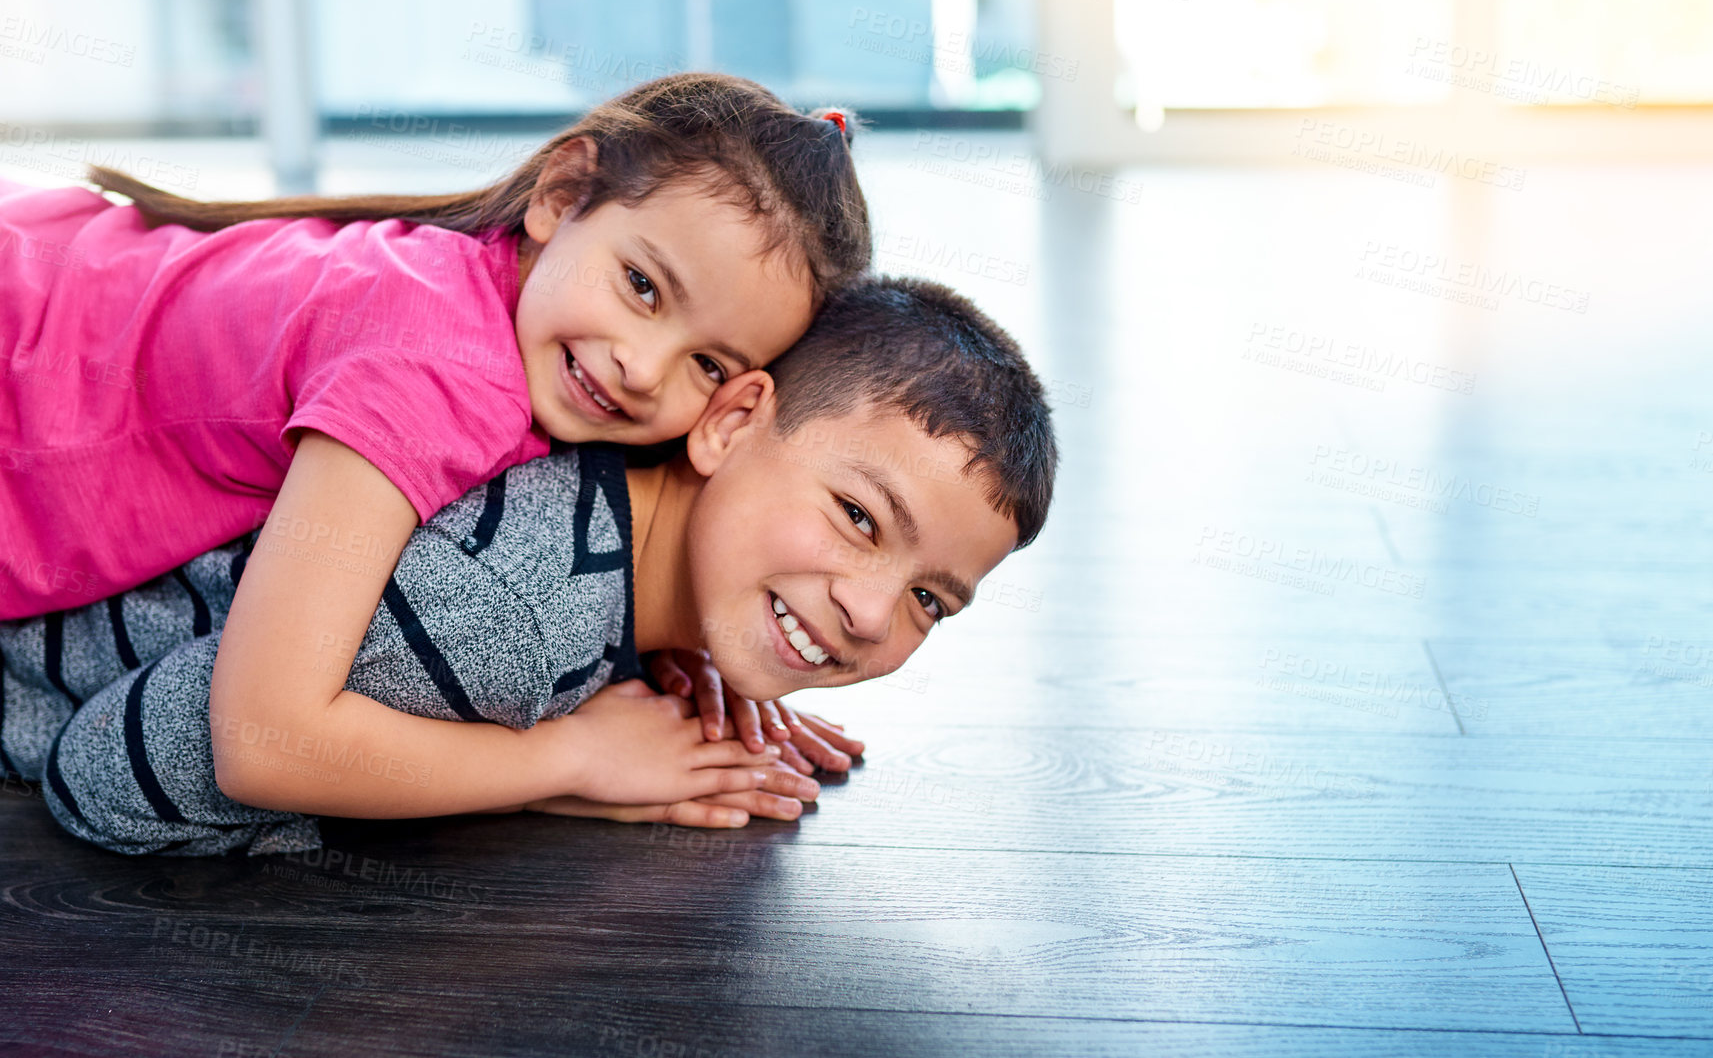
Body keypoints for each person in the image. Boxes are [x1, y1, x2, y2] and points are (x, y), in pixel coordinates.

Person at [0, 277, 1057, 855]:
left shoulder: (601, 465)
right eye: (859, 518)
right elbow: (106, 778)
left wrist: (709, 647)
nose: (872, 615)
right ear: (731, 421)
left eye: (930, 600)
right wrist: (557, 767)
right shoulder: (502, 623)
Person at [0, 70, 870, 628]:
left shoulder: (500, 283)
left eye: (708, 365)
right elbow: (263, 732)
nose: (642, 369)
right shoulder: (438, 368)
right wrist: (576, 761)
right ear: (560, 193)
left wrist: (675, 647)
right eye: (642, 286)